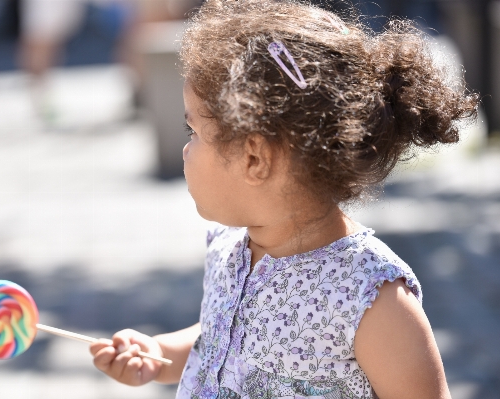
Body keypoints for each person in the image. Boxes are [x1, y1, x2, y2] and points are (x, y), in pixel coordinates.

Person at [88, 1, 479, 397]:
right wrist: (158, 353)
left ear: (255, 158)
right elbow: (220, 339)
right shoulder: (231, 250)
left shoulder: (369, 296)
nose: (187, 150)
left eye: (194, 132)